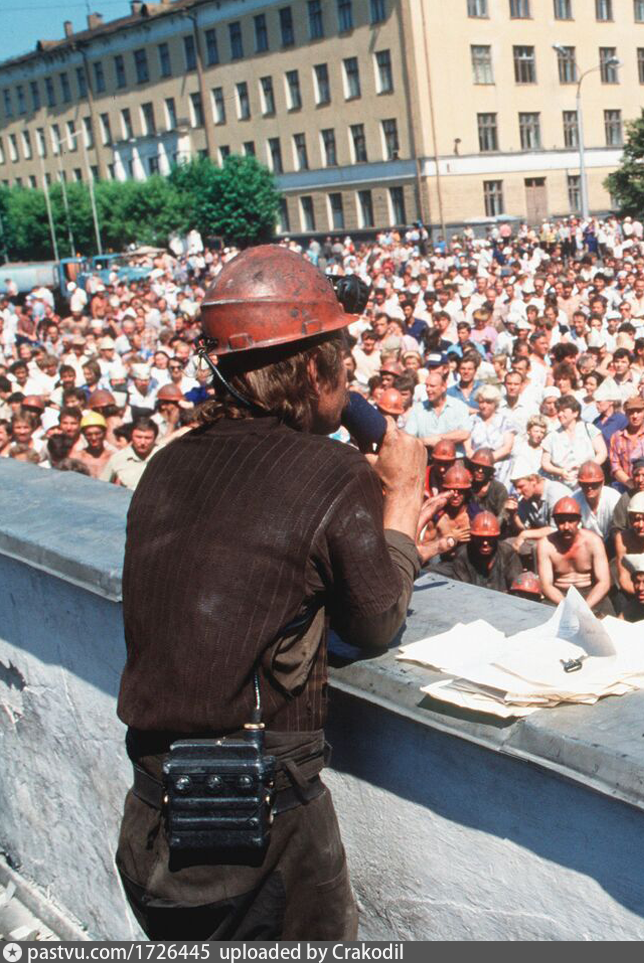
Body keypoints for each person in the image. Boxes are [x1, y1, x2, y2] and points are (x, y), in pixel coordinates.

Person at [117, 246, 440, 940]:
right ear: (316, 367)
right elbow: (378, 617)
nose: (353, 376)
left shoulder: (167, 463)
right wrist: (404, 499)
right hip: (261, 839)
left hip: (153, 819)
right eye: (345, 360)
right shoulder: (329, 471)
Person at [537, 496, 613, 614]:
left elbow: (603, 582)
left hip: (590, 594)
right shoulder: (546, 544)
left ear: (578, 521)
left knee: (610, 624)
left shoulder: (593, 541)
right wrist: (566, 606)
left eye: (571, 521)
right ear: (555, 522)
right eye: (561, 521)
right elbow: (546, 585)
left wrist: (585, 607)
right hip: (559, 595)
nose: (566, 527)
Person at [450, 511, 524, 594]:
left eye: (489, 538)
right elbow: (461, 590)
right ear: (473, 537)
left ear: (496, 537)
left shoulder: (508, 553)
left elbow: (517, 587)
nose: (485, 543)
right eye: (480, 538)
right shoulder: (462, 555)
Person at [99, 417, 160, 488]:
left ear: (155, 438)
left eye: (147, 438)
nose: (143, 442)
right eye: (138, 437)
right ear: (131, 436)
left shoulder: (165, 456)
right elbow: (101, 486)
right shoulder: (117, 459)